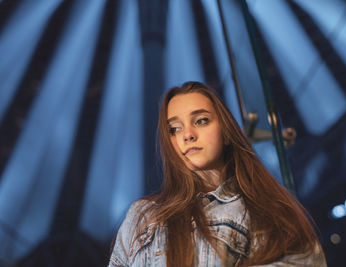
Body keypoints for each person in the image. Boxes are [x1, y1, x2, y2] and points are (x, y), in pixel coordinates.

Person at [108, 81, 327, 267]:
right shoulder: (142, 215)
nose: (188, 135)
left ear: (226, 132)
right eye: (174, 128)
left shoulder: (267, 212)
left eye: (201, 121)